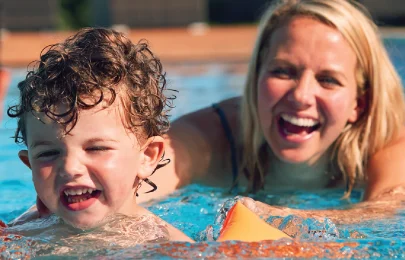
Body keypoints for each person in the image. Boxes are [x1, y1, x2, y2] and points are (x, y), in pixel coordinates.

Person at [139, 0, 405, 223]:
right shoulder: (212, 139)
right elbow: (136, 178)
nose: (301, 95)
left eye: (328, 80)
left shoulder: (388, 143)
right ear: (256, 78)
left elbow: (382, 213)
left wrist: (277, 219)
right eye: (282, 71)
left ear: (359, 103)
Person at [6, 27, 192, 242]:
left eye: (96, 148)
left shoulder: (168, 245)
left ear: (147, 156)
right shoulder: (21, 234)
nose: (69, 168)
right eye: (48, 153)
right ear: (29, 164)